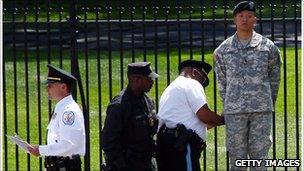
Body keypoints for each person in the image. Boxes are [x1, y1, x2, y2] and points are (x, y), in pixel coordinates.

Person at [213, 1, 281, 170]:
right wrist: (230, 101)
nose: (245, 20)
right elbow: (222, 81)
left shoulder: (268, 47)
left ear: (255, 20)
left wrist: (266, 101)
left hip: (261, 109)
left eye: (249, 16)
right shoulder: (223, 49)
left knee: (260, 154)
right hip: (235, 111)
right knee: (237, 155)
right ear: (234, 20)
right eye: (241, 16)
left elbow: (274, 78)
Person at [156, 59, 225, 171]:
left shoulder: (170, 88)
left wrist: (215, 123)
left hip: (167, 144)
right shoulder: (191, 83)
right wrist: (224, 119)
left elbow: (199, 122)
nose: (202, 85)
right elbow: (204, 115)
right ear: (194, 73)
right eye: (202, 79)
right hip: (182, 146)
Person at [101, 62, 159, 171]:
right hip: (128, 165)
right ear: (136, 80)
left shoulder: (148, 102)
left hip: (147, 164)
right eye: (149, 79)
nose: (152, 82)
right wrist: (121, 165)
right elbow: (108, 141)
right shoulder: (120, 105)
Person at [28, 64, 86, 171]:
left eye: (50, 85)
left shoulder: (69, 111)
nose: (47, 88)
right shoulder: (61, 108)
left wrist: (40, 150)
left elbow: (68, 144)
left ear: (63, 87)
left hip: (66, 167)